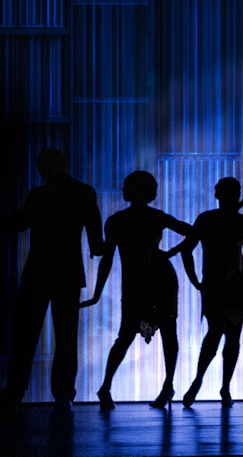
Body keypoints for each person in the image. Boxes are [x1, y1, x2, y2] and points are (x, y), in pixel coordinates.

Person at [0, 149, 102, 408]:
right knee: (66, 336)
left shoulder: (39, 194)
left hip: (38, 270)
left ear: (43, 168)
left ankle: (15, 391)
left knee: (25, 334)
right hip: (68, 273)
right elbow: (96, 238)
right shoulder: (83, 192)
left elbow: (18, 224)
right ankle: (63, 394)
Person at [82, 170, 193, 410]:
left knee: (127, 336)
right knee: (165, 333)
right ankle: (165, 386)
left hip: (140, 281)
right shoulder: (154, 217)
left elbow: (107, 259)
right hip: (156, 279)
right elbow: (194, 232)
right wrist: (171, 253)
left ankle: (108, 387)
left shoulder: (117, 220)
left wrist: (97, 294)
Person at [171, 177, 243, 409]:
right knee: (224, 334)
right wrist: (196, 281)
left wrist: (196, 280)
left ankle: (208, 384)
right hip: (227, 281)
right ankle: (218, 387)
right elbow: (192, 248)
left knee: (220, 333)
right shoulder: (241, 220)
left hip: (225, 281)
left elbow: (189, 248)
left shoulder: (210, 220)